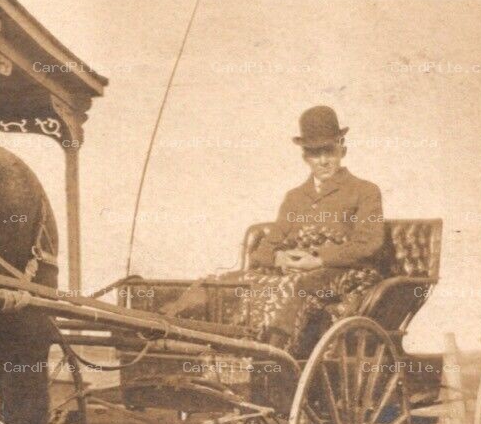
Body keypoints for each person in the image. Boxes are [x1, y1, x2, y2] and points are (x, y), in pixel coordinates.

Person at [166, 106, 389, 354]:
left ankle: (272, 362)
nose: (324, 160)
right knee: (222, 284)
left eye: (330, 151)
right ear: (305, 156)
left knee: (291, 288)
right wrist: (281, 258)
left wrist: (316, 260)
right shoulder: (295, 198)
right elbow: (264, 252)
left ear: (342, 149)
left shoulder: (364, 191)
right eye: (315, 153)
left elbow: (369, 244)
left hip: (345, 274)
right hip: (293, 273)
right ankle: (171, 332)